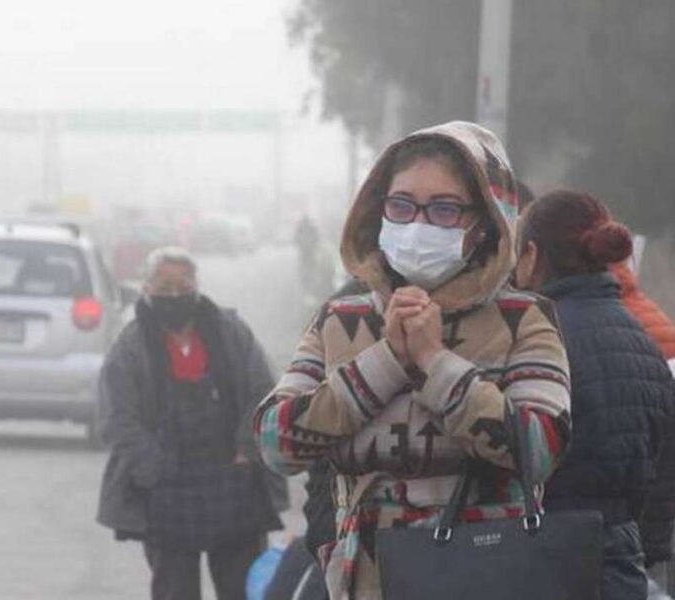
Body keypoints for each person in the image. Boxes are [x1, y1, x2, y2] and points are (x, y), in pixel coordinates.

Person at [253, 121, 572, 599]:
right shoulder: (342, 320)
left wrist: (434, 361)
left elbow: (541, 447)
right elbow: (275, 442)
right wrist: (385, 361)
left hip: (484, 575)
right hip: (365, 580)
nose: (418, 225)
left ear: (483, 224)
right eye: (401, 206)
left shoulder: (522, 319)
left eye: (444, 210)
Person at [96, 246, 288, 600]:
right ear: (146, 288)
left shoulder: (231, 331)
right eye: (164, 285)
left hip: (234, 483)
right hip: (165, 491)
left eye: (183, 285)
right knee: (174, 591)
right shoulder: (130, 346)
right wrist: (152, 467)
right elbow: (117, 418)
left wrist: (248, 448)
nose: (174, 294)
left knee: (241, 589)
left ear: (197, 286)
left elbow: (264, 392)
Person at [514, 190, 675, 599]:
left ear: (531, 255)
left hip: (538, 561)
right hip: (621, 567)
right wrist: (643, 549)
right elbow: (664, 473)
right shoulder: (644, 341)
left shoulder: (533, 340)